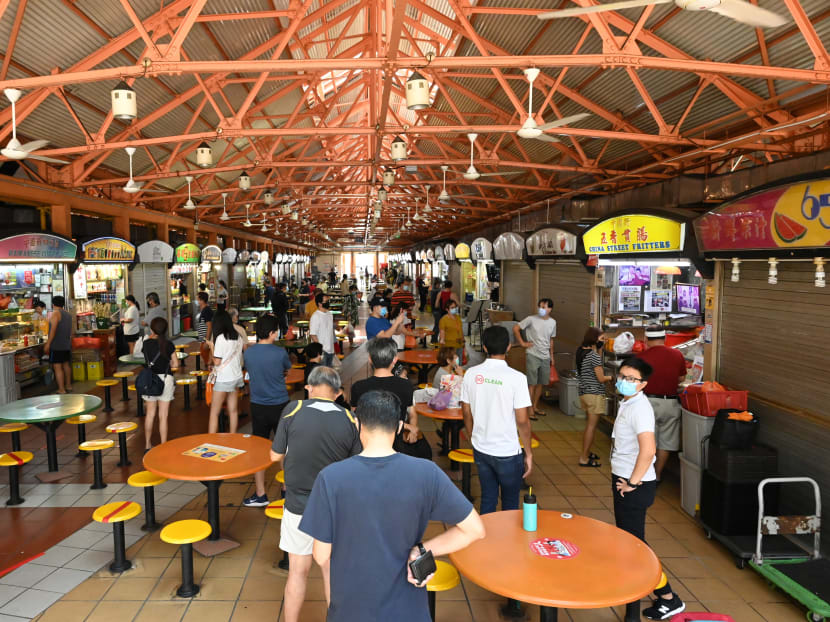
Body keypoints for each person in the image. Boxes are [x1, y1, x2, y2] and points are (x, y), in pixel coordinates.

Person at [299, 389, 485, 622]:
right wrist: (422, 550)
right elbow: (475, 529)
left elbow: (320, 555)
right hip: (408, 608)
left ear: (358, 424)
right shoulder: (426, 473)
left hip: (351, 606)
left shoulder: (331, 477)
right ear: (399, 427)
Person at [271, 365, 361, 622]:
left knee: (297, 572)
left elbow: (275, 454)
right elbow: (357, 467)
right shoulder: (349, 419)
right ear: (337, 393)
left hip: (297, 506)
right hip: (334, 508)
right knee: (331, 570)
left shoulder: (293, 409)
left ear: (309, 388)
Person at [610, 358, 685, 621]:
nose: (624, 381)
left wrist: (632, 482)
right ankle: (639, 583)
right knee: (630, 541)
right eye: (622, 376)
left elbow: (649, 449)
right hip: (626, 478)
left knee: (637, 545)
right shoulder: (628, 402)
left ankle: (667, 597)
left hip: (635, 484)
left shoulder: (640, 408)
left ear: (643, 384)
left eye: (631, 379)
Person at [461, 325, 533, 514]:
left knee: (488, 497)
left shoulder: (471, 374)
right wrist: (529, 452)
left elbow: (466, 412)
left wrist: (471, 435)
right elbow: (523, 420)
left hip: (481, 447)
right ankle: (506, 541)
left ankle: (488, 541)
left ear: (484, 347)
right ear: (509, 347)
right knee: (510, 503)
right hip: (507, 451)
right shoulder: (517, 378)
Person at [350, 338, 428, 459]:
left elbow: (355, 417)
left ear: (370, 359)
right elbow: (411, 413)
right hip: (396, 445)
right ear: (394, 360)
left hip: (366, 446)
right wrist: (411, 428)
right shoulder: (405, 385)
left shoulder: (358, 387)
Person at [243, 314, 292, 507]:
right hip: (280, 404)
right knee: (284, 448)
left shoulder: (249, 353)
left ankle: (260, 494)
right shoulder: (280, 353)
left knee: (259, 450)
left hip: (258, 405)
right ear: (272, 333)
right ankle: (286, 489)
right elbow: (286, 369)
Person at [637, 326, 688, 482]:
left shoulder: (641, 357)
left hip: (647, 403)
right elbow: (681, 379)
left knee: (646, 440)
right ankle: (657, 475)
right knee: (666, 442)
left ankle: (644, 474)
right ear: (665, 339)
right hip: (670, 403)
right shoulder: (677, 354)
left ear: (646, 339)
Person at [512, 298, 556, 419]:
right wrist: (522, 343)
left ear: (550, 309)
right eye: (540, 307)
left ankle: (535, 406)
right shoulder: (531, 319)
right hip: (533, 354)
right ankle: (529, 409)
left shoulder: (553, 322)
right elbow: (516, 328)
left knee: (541, 383)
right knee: (532, 383)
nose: (542, 309)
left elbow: (551, 339)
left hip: (545, 356)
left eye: (545, 307)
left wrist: (551, 356)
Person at [576, 327, 613, 468]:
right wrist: (611, 377)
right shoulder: (593, 356)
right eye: (602, 339)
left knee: (588, 426)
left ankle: (587, 452)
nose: (603, 342)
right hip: (594, 394)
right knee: (591, 427)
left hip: (584, 392)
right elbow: (601, 378)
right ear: (594, 339)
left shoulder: (581, 351)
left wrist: (599, 350)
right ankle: (584, 458)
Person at [142, 317, 179, 452]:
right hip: (165, 379)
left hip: (149, 380)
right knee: (163, 416)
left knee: (150, 414)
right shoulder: (168, 344)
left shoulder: (145, 343)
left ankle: (147, 445)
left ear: (152, 329)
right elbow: (175, 364)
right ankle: (163, 445)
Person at [209, 310, 244, 434]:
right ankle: (233, 437)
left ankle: (211, 441)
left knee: (214, 412)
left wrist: (212, 348)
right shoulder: (238, 337)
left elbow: (217, 362)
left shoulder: (220, 338)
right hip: (236, 377)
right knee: (233, 410)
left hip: (224, 379)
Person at [44, 296, 72, 394]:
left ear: (53, 304)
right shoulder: (68, 315)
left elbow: (53, 330)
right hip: (66, 343)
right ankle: (68, 385)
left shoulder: (56, 314)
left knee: (57, 366)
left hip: (57, 344)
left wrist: (48, 343)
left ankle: (61, 389)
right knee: (66, 365)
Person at [309, 291, 335, 366]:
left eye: (328, 301)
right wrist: (320, 352)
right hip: (322, 352)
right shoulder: (315, 316)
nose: (328, 302)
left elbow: (330, 331)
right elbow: (313, 335)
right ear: (320, 304)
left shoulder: (329, 314)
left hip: (331, 350)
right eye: (326, 301)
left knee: (329, 374)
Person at [428, 278, 442, 343]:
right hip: (437, 310)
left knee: (437, 325)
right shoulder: (437, 291)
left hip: (434, 310)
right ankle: (434, 339)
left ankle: (434, 338)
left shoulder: (433, 290)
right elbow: (437, 303)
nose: (439, 286)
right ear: (437, 284)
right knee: (437, 325)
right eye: (439, 284)